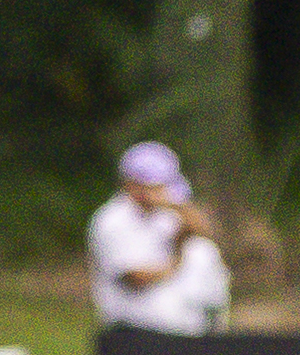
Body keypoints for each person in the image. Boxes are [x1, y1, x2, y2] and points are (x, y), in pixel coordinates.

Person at [87, 140, 229, 334]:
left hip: (178, 332)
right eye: (157, 187)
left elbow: (204, 231)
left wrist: (179, 208)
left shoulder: (164, 214)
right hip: (133, 331)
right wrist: (176, 263)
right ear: (132, 185)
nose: (164, 195)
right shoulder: (112, 220)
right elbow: (135, 278)